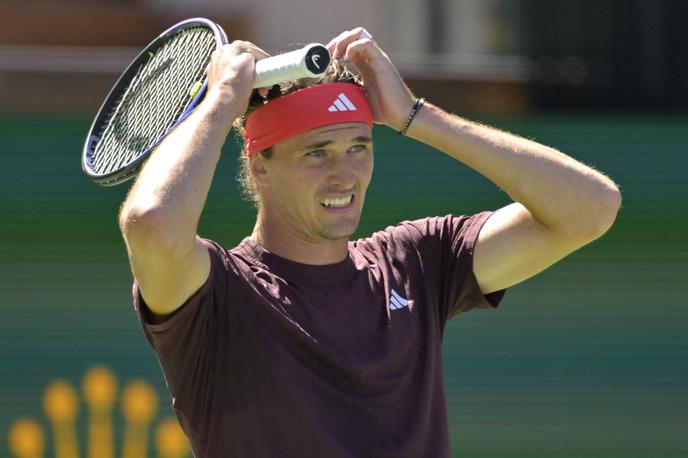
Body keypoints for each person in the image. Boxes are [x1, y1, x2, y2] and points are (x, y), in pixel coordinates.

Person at [118, 28, 621, 457]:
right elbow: (150, 222)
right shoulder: (218, 292)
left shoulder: (416, 261)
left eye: (359, 146)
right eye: (318, 154)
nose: (345, 174)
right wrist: (221, 99)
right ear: (259, 166)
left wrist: (414, 116)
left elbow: (591, 207)